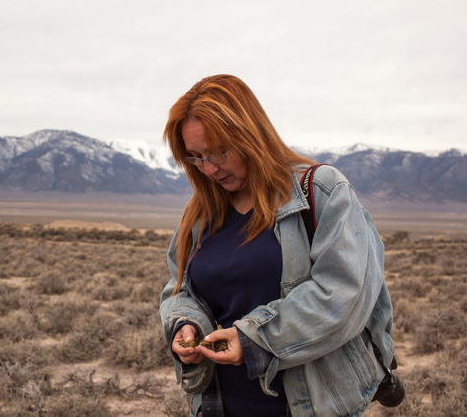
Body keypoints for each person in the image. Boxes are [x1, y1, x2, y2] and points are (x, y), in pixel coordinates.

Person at [159, 74, 396, 417]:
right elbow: (180, 288)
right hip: (219, 404)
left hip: (312, 405)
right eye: (196, 157)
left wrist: (255, 338)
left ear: (250, 134)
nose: (209, 169)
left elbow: (345, 294)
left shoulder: (321, 191)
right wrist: (187, 324)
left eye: (219, 152)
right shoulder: (200, 213)